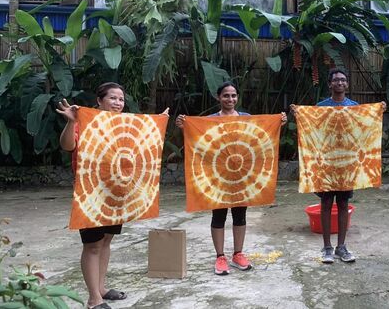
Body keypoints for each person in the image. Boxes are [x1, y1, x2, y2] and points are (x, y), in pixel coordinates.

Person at [58, 82, 168, 309]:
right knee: (92, 246)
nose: (118, 103)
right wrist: (71, 122)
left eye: (121, 99)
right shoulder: (85, 120)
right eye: (113, 98)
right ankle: (93, 299)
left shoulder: (124, 123)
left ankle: (101, 288)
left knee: (106, 241)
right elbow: (68, 146)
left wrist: (158, 123)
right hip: (92, 193)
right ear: (99, 100)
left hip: (117, 193)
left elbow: (140, 143)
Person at [176, 81, 287, 276]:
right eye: (226, 95)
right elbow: (200, 142)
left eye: (234, 95)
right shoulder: (210, 120)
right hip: (217, 176)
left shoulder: (246, 118)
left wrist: (279, 122)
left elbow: (258, 140)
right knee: (218, 216)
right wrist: (184, 127)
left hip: (242, 177)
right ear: (218, 98)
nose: (230, 99)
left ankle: (238, 254)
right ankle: (220, 256)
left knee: (240, 215)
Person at [291, 68, 386, 264]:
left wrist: (377, 112)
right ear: (329, 84)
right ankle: (326, 248)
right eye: (336, 80)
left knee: (343, 204)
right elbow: (313, 128)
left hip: (347, 163)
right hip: (325, 163)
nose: (340, 83)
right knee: (326, 204)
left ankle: (341, 247)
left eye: (343, 80)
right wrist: (300, 114)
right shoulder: (321, 107)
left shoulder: (354, 107)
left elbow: (363, 129)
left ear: (347, 84)